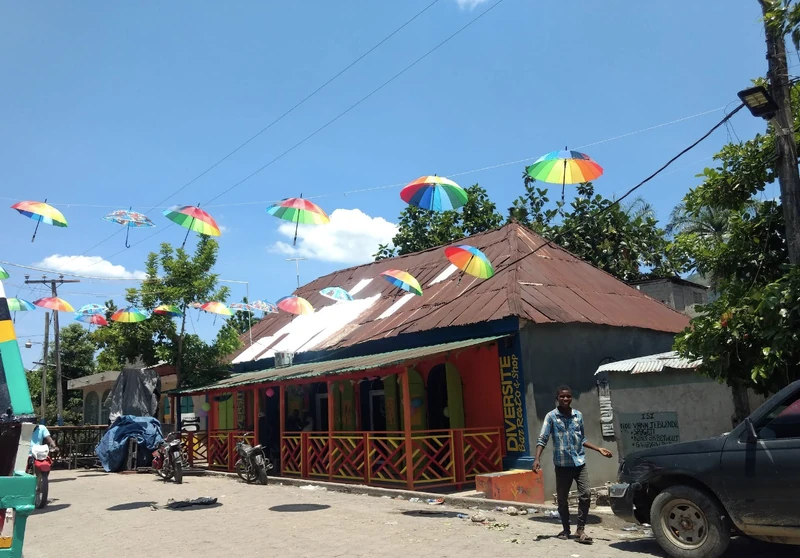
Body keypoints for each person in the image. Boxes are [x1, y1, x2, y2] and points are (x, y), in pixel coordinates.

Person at [533, 385, 613, 544]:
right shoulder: (551, 417)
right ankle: (566, 529)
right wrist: (537, 459)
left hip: (579, 463)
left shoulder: (578, 415)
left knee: (586, 494)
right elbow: (542, 439)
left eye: (568, 396)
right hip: (562, 465)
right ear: (557, 398)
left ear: (571, 398)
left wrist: (598, 449)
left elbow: (581, 439)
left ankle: (580, 529)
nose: (565, 399)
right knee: (562, 499)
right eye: (562, 396)